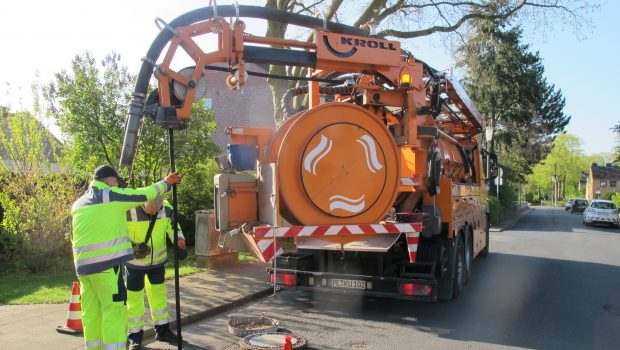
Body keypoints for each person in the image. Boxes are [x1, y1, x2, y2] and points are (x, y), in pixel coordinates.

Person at [70, 165, 181, 350]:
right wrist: (166, 183)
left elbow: (73, 237)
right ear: (108, 180)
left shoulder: (78, 204)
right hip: (106, 267)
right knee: (114, 311)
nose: (116, 184)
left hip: (83, 269)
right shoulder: (109, 195)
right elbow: (142, 194)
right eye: (115, 181)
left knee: (91, 312)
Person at [125, 196, 186, 349]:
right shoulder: (129, 209)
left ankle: (163, 330)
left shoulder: (165, 208)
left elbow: (173, 227)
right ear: (143, 204)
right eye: (150, 211)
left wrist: (179, 242)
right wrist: (132, 247)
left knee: (159, 297)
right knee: (134, 301)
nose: (153, 214)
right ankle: (135, 337)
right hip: (135, 265)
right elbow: (118, 233)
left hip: (157, 263)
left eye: (156, 212)